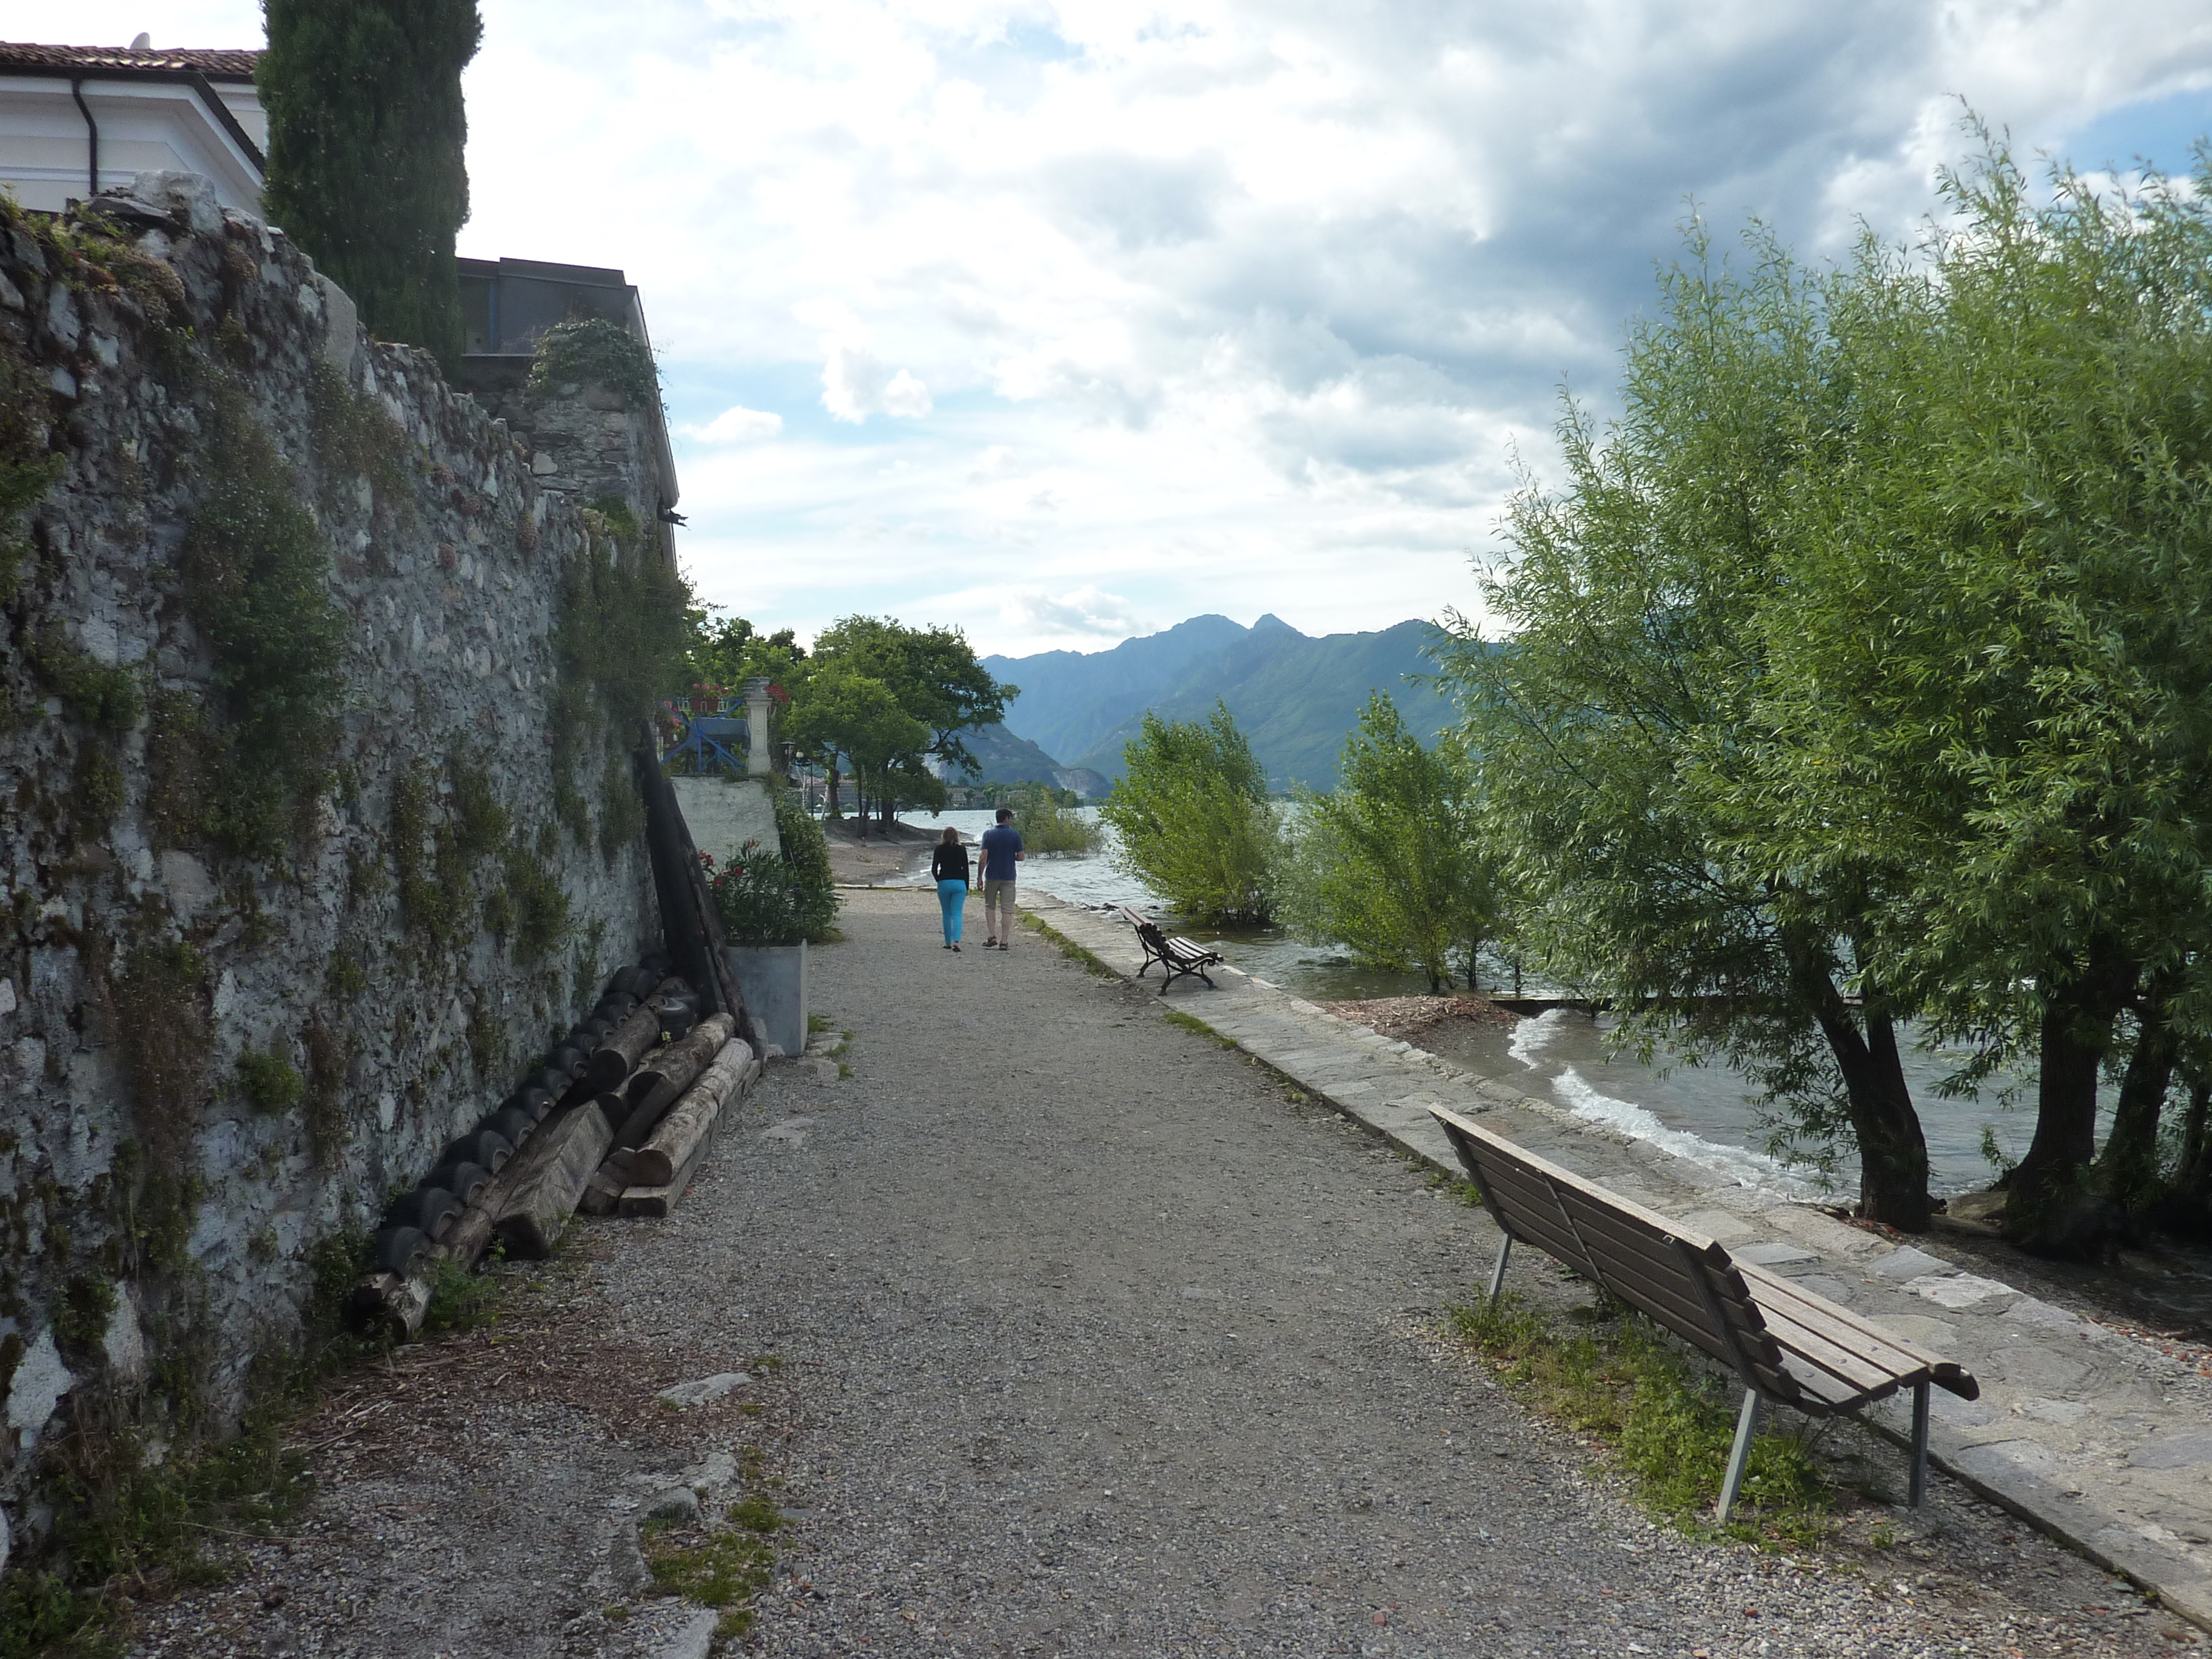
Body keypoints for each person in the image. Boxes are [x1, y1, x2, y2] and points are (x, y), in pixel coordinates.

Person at [977, 805, 1025, 949]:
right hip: (1009, 876)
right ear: (1007, 819)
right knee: (1007, 909)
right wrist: (1012, 857)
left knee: (990, 906)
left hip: (992, 874)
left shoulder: (988, 835)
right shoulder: (1015, 835)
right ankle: (1004, 941)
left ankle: (992, 936)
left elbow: (983, 857)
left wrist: (979, 877)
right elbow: (1021, 857)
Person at [931, 826, 970, 950]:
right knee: (957, 913)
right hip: (959, 883)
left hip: (944, 882)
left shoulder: (939, 849)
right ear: (957, 837)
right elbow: (966, 869)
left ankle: (948, 942)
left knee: (946, 914)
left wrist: (939, 880)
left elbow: (934, 869)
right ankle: (956, 942)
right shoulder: (962, 849)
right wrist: (966, 886)